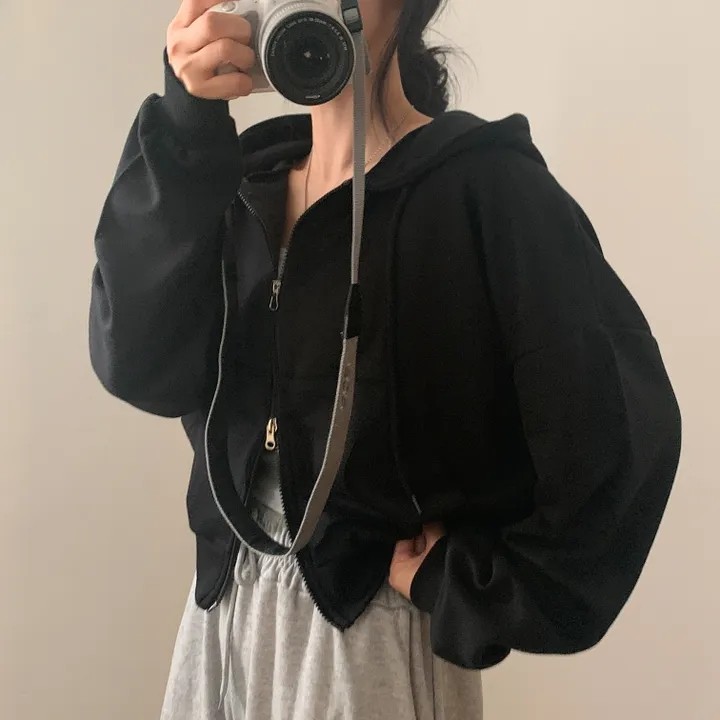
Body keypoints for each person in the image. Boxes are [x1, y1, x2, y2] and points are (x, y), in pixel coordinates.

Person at [88, 0, 682, 717]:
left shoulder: (484, 186)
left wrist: (481, 588)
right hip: (220, 617)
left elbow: (617, 429)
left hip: (368, 643)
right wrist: (186, 128)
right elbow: (138, 363)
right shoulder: (241, 181)